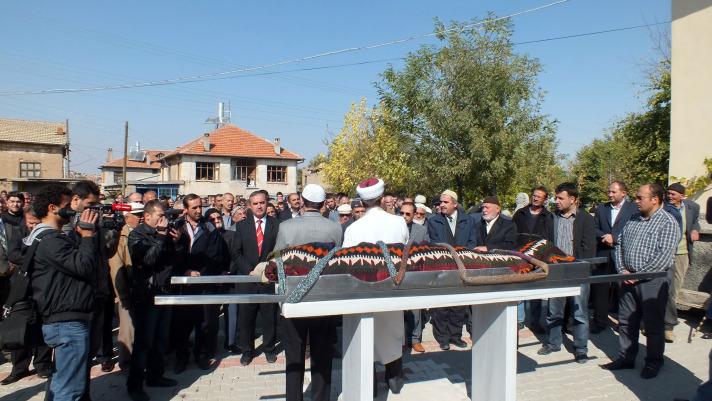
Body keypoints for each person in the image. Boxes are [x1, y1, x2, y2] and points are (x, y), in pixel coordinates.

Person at [601, 183, 680, 379]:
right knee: (627, 322)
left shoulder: (668, 223)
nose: (635, 201)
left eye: (639, 198)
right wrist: (622, 270)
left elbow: (663, 258)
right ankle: (626, 358)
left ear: (654, 199)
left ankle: (654, 361)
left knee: (653, 325)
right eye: (635, 197)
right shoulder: (633, 220)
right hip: (628, 278)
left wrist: (636, 275)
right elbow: (619, 247)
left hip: (652, 281)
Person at [30, 184, 100, 401]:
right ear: (53, 208)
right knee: (70, 390)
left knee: (62, 384)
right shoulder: (50, 240)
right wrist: (87, 235)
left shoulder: (52, 237)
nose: (73, 209)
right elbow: (84, 267)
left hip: (67, 320)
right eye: (67, 206)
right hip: (66, 323)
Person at [273, 184, 342, 401]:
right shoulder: (335, 228)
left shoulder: (286, 227)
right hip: (324, 298)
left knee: (294, 354)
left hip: (294, 299)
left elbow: (277, 259)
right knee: (323, 355)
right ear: (323, 205)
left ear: (302, 201)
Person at [343, 178, 409, 395]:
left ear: (362, 200)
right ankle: (394, 381)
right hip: (392, 289)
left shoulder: (353, 228)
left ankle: (369, 386)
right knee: (392, 335)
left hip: (364, 291)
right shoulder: (399, 222)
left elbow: (346, 264)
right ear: (382, 198)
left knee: (367, 338)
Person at [126, 200, 181, 401]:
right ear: (147, 216)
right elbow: (147, 260)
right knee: (143, 343)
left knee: (160, 340)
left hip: (165, 291)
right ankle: (135, 385)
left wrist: (177, 241)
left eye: (164, 215)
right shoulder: (137, 235)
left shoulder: (164, 233)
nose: (163, 219)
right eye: (160, 215)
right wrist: (160, 236)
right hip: (147, 295)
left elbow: (173, 261)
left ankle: (155, 376)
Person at [538, 183, 596, 363]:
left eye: (560, 198)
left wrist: (579, 267)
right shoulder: (551, 218)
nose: (556, 201)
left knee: (579, 312)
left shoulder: (585, 219)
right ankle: (553, 342)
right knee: (554, 310)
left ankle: (580, 348)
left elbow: (589, 248)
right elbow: (546, 243)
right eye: (556, 197)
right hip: (557, 271)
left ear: (573, 199)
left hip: (578, 272)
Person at [172, 194, 228, 373]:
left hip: (204, 283)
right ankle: (181, 357)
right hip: (183, 284)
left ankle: (201, 355)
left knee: (204, 323)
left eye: (200, 207)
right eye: (194, 207)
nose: (198, 210)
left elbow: (215, 255)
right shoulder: (177, 226)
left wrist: (200, 273)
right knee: (182, 324)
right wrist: (185, 271)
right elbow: (171, 254)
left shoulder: (209, 227)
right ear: (185, 210)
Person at [1, 207, 52, 384]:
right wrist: (36, 258)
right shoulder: (19, 234)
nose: (34, 226)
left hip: (43, 288)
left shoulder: (48, 233)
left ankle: (43, 364)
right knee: (19, 327)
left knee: (42, 327)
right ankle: (19, 368)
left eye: (37, 223)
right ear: (25, 220)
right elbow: (13, 255)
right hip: (21, 288)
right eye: (31, 223)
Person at [427, 190, 479, 351]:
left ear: (455, 204)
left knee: (459, 305)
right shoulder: (434, 221)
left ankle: (455, 336)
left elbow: (472, 242)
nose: (441, 205)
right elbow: (433, 243)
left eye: (445, 202)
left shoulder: (468, 220)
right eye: (440, 202)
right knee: (441, 305)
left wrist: (463, 258)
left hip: (462, 267)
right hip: (442, 267)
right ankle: (442, 338)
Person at [232, 191, 280, 366]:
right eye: (255, 203)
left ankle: (269, 349)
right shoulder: (241, 226)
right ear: (249, 206)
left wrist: (269, 269)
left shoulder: (277, 224)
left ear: (266, 203)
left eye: (262, 203)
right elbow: (236, 253)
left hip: (268, 278)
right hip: (248, 279)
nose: (259, 206)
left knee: (269, 317)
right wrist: (250, 270)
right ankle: (247, 351)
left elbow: (279, 250)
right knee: (246, 317)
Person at [591, 181, 637, 333]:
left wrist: (615, 237)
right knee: (600, 288)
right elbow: (594, 228)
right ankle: (599, 321)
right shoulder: (601, 209)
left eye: (613, 192)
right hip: (603, 253)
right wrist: (605, 236)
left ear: (623, 193)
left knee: (624, 289)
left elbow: (635, 229)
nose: (610, 194)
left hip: (623, 254)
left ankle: (624, 322)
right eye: (609, 191)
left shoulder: (633, 209)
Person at [107, 202, 144, 371]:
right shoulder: (120, 236)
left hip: (141, 288)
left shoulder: (140, 233)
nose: (141, 217)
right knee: (127, 330)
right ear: (127, 217)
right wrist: (122, 297)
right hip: (126, 291)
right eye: (138, 214)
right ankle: (126, 363)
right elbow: (116, 268)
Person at [512, 186, 554, 332]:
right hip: (519, 255)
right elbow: (512, 231)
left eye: (539, 197)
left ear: (545, 199)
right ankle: (519, 319)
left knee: (536, 290)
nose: (535, 198)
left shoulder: (548, 216)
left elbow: (550, 238)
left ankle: (535, 321)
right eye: (534, 195)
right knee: (518, 288)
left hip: (538, 257)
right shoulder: (520, 213)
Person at [663, 182, 701, 343]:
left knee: (674, 291)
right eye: (668, 193)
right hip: (665, 254)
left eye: (673, 194)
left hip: (682, 254)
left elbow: (695, 221)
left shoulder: (693, 207)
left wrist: (695, 229)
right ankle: (666, 326)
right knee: (663, 289)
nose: (669, 196)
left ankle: (665, 324)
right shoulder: (662, 208)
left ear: (682, 196)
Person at [400, 202, 429, 353]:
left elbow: (426, 250)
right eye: (402, 213)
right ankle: (400, 340)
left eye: (408, 214)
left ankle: (415, 339)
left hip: (414, 272)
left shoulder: (421, 230)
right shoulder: (393, 227)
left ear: (414, 214)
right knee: (397, 310)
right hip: (396, 272)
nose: (404, 216)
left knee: (415, 308)